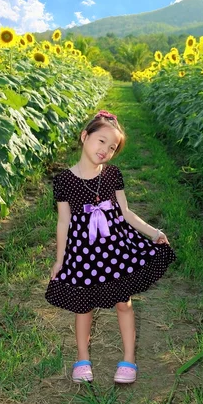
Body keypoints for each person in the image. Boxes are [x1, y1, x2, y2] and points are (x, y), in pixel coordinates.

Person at [45, 110, 176, 384]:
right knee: (84, 307)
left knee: (124, 303)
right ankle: (82, 359)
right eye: (101, 141)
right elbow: (63, 222)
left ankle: (129, 359)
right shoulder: (64, 181)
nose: (105, 150)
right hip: (82, 252)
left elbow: (126, 213)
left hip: (115, 248)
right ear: (85, 137)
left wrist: (154, 232)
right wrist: (60, 260)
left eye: (112, 147)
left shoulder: (113, 175)